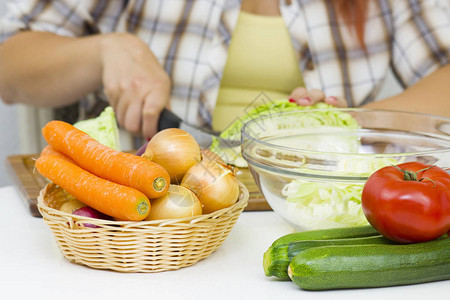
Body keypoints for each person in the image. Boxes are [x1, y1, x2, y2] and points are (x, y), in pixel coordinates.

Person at [0, 0, 449, 142]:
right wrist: (103, 52)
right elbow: (9, 66)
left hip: (315, 219)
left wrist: (343, 126)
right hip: (149, 227)